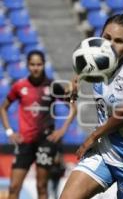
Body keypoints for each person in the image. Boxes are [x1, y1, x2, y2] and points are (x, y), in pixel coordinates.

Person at [60, 14, 123, 199]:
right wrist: (75, 81)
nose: (111, 45)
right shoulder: (98, 59)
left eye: (119, 41)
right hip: (103, 154)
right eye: (107, 38)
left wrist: (94, 135)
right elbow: (86, 68)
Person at [0, 50, 77, 199]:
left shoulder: (52, 86)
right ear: (28, 65)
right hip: (25, 142)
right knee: (14, 186)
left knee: (41, 186)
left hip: (45, 142)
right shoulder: (19, 86)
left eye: (39, 64)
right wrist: (9, 131)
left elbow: (73, 107)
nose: (36, 68)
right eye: (32, 64)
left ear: (44, 65)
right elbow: (3, 108)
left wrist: (62, 130)